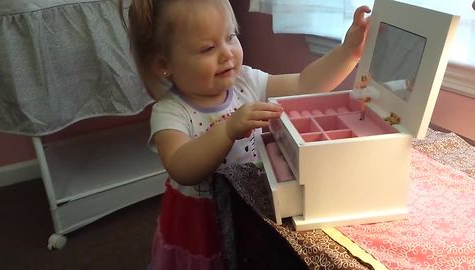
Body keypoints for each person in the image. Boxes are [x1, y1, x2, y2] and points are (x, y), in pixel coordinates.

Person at [122, 0, 370, 269]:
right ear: (163, 64)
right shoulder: (169, 112)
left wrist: (349, 52)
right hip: (202, 219)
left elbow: (304, 84)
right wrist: (227, 130)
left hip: (248, 202)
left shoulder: (247, 81)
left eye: (231, 37)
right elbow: (182, 167)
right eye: (207, 48)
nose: (227, 53)